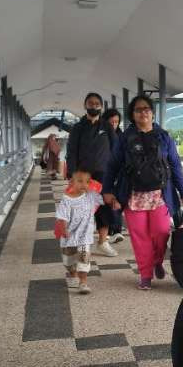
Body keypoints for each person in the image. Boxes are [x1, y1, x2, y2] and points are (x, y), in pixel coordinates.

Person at [103, 95, 183, 290]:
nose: (143, 112)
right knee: (139, 236)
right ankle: (145, 274)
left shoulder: (164, 137)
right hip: (133, 195)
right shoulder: (124, 138)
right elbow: (112, 165)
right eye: (138, 110)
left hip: (160, 195)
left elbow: (175, 165)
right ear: (132, 115)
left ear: (152, 113)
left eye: (146, 109)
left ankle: (157, 260)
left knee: (161, 231)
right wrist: (107, 190)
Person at [66, 92, 118, 257]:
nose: (94, 105)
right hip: (84, 176)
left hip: (105, 174)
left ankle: (103, 242)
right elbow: (71, 151)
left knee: (104, 208)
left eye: (97, 103)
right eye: (91, 103)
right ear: (85, 105)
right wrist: (73, 176)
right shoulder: (78, 127)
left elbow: (116, 149)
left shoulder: (107, 126)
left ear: (101, 106)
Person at [55, 165, 103, 295]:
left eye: (87, 181)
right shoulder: (66, 200)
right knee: (68, 261)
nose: (84, 184)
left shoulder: (91, 196)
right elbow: (62, 217)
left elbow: (103, 197)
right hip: (69, 237)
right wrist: (64, 229)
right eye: (80, 181)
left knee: (84, 258)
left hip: (84, 237)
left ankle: (83, 282)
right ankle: (72, 273)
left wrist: (114, 201)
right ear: (71, 182)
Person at [102, 108, 126, 244]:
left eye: (116, 122)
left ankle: (116, 231)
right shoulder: (100, 135)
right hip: (104, 173)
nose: (114, 125)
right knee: (107, 202)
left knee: (115, 201)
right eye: (111, 122)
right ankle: (111, 230)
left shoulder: (121, 136)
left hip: (119, 173)